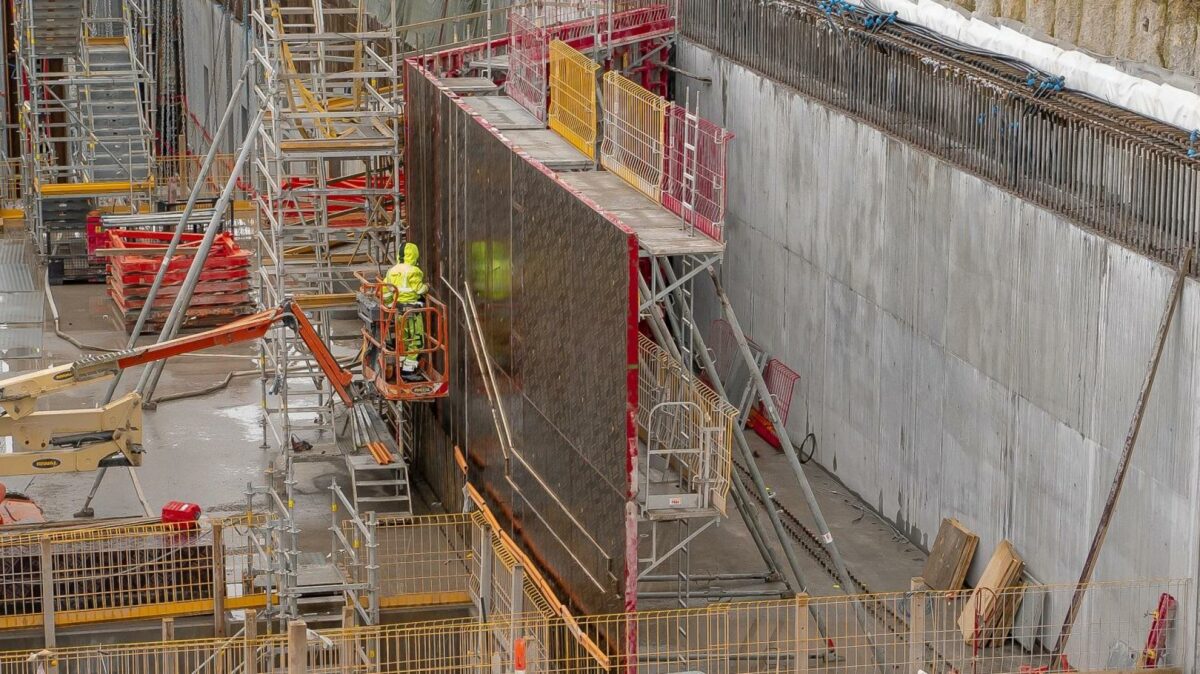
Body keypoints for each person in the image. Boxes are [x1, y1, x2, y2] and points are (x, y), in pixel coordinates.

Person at [382, 242, 429, 381]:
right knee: (417, 340)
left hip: (399, 312)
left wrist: (391, 305)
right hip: (412, 312)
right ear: (414, 255)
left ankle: (401, 366)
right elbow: (419, 290)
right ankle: (409, 371)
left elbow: (385, 290)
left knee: (403, 339)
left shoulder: (392, 271)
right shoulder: (414, 271)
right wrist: (426, 287)